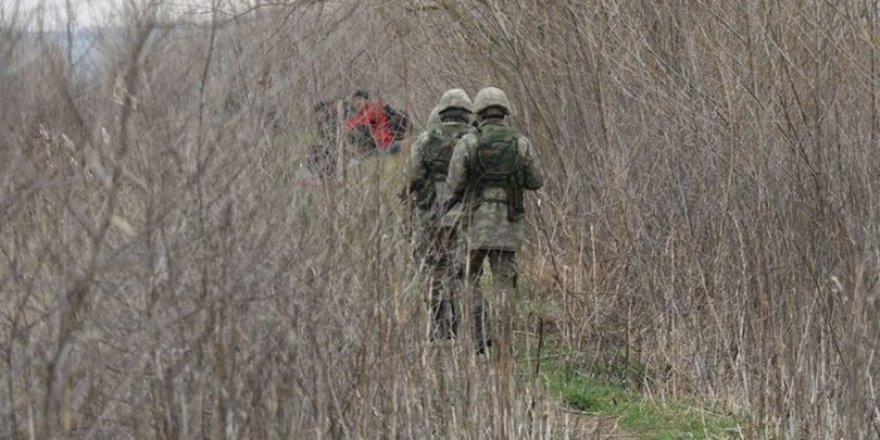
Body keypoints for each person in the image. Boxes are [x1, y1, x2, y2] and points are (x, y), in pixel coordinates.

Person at [446, 87, 544, 355]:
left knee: (467, 277)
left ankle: (479, 331)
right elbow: (536, 180)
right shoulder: (520, 143)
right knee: (505, 284)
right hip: (508, 225)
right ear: (504, 112)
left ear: (478, 112)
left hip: (474, 224)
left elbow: (454, 182)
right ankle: (503, 343)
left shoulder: (468, 142)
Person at [408, 89, 475, 340]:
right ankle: (463, 321)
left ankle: (439, 325)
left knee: (434, 268)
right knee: (462, 270)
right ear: (467, 111)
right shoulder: (475, 138)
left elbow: (413, 176)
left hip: (431, 216)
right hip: (466, 215)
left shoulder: (425, 139)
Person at [344, 90, 400, 155]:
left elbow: (363, 119)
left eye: (360, 99)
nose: (357, 102)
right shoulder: (361, 114)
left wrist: (349, 126)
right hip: (379, 146)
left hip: (387, 144)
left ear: (366, 100)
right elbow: (355, 121)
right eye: (355, 100)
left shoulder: (373, 108)